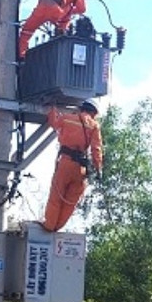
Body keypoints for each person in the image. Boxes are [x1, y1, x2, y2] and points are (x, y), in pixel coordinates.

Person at [41, 99, 103, 232]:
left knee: (56, 194)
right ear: (93, 112)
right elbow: (96, 149)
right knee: (71, 201)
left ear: (81, 108)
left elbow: (54, 123)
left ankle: (49, 225)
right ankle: (58, 226)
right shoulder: (94, 126)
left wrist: (53, 107)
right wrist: (98, 169)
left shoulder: (67, 118)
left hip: (65, 163)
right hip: (80, 168)